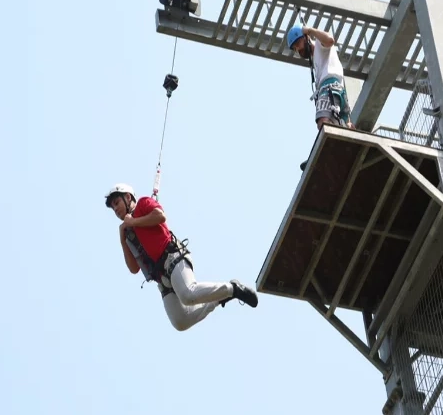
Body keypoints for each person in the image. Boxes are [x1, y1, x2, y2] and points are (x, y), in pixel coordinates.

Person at [104, 183, 258, 331]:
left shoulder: (143, 204)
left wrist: (134, 222)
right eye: (113, 207)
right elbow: (134, 269)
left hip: (173, 259)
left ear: (128, 198)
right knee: (180, 321)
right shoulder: (128, 234)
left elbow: (160, 216)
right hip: (162, 279)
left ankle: (232, 288)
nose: (115, 209)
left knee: (187, 294)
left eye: (117, 203)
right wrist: (123, 241)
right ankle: (220, 297)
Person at [286, 24, 356, 171]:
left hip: (330, 88)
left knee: (323, 121)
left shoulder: (319, 44)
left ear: (305, 38)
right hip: (338, 92)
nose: (298, 50)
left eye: (298, 44)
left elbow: (330, 40)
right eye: (295, 49)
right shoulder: (316, 61)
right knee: (339, 127)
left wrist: (310, 30)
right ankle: (343, 147)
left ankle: (324, 155)